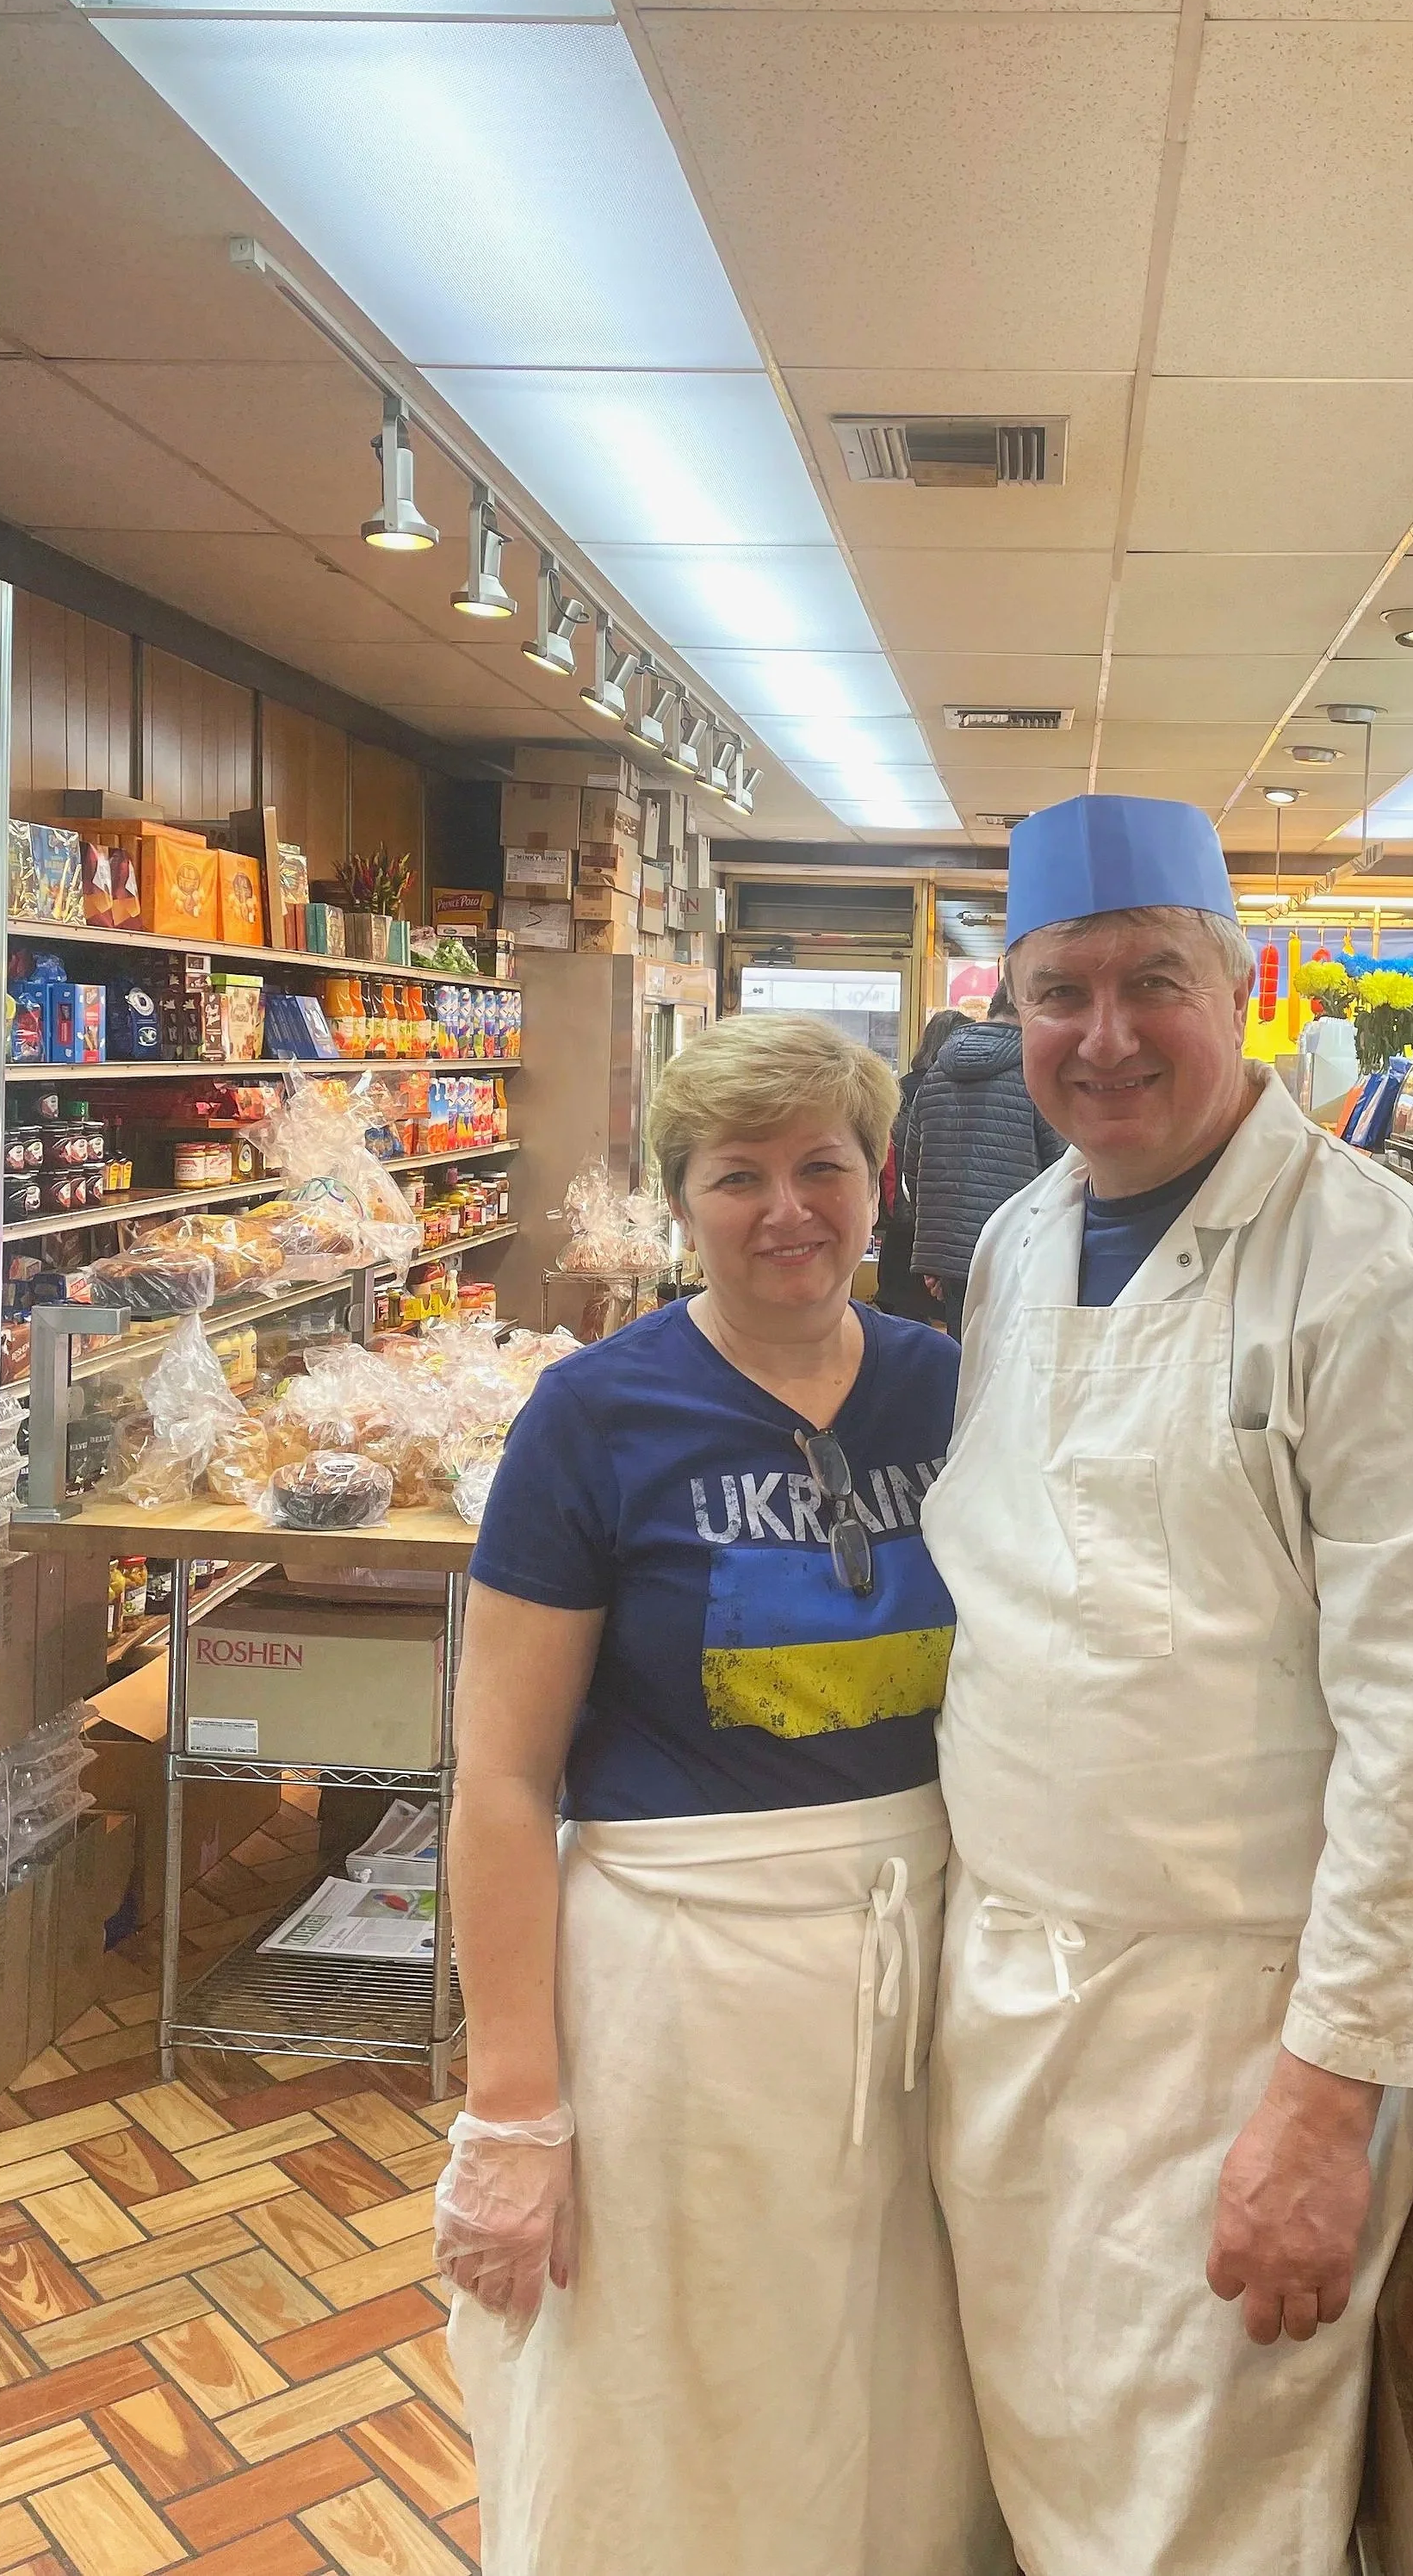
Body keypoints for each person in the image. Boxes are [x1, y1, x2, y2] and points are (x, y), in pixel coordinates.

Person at [921, 794, 1413, 2576]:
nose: (1104, 1037)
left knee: (1195, 2523)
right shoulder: (1020, 1241)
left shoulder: (1379, 1274)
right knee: (1040, 2483)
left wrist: (1321, 2102)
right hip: (1012, 2019)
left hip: (1230, 2045)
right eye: (1059, 993)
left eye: (1150, 982)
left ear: (1244, 983)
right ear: (1010, 1005)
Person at [438, 1012, 1010, 2576]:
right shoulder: (595, 1417)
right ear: (681, 1201)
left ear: (881, 1182)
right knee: (673, 2382)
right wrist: (512, 2103)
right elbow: (498, 1774)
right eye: (736, 1174)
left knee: (892, 2383)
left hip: (920, 1979)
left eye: (821, 1164)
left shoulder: (947, 1389)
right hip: (677, 1990)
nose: (786, 1209)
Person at [902, 981, 1065, 1338]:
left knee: (967, 1364)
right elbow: (1064, 1169)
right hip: (1022, 1247)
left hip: (952, 1255)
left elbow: (913, 1170)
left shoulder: (934, 1075)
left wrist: (936, 1255)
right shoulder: (1033, 1075)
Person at [877, 1004, 966, 1321]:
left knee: (904, 1315)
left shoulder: (901, 1088)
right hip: (946, 1226)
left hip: (902, 1222)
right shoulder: (959, 1091)